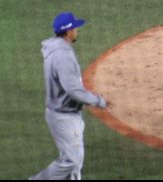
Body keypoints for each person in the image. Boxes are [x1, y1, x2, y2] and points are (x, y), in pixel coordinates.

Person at [30, 12, 109, 180]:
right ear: (68, 32)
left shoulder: (56, 48)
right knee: (71, 161)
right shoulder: (63, 56)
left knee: (76, 160)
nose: (77, 30)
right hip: (63, 116)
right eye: (75, 28)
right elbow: (73, 90)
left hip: (62, 112)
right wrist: (98, 101)